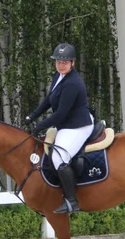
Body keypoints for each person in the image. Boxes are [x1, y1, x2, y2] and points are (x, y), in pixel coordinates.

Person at [24, 43, 93, 214]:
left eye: (65, 62)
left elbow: (61, 113)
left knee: (59, 158)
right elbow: (49, 99)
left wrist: (39, 126)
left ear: (73, 63)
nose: (61, 65)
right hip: (67, 123)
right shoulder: (59, 76)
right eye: (58, 62)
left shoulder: (73, 83)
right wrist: (32, 116)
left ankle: (72, 200)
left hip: (77, 126)